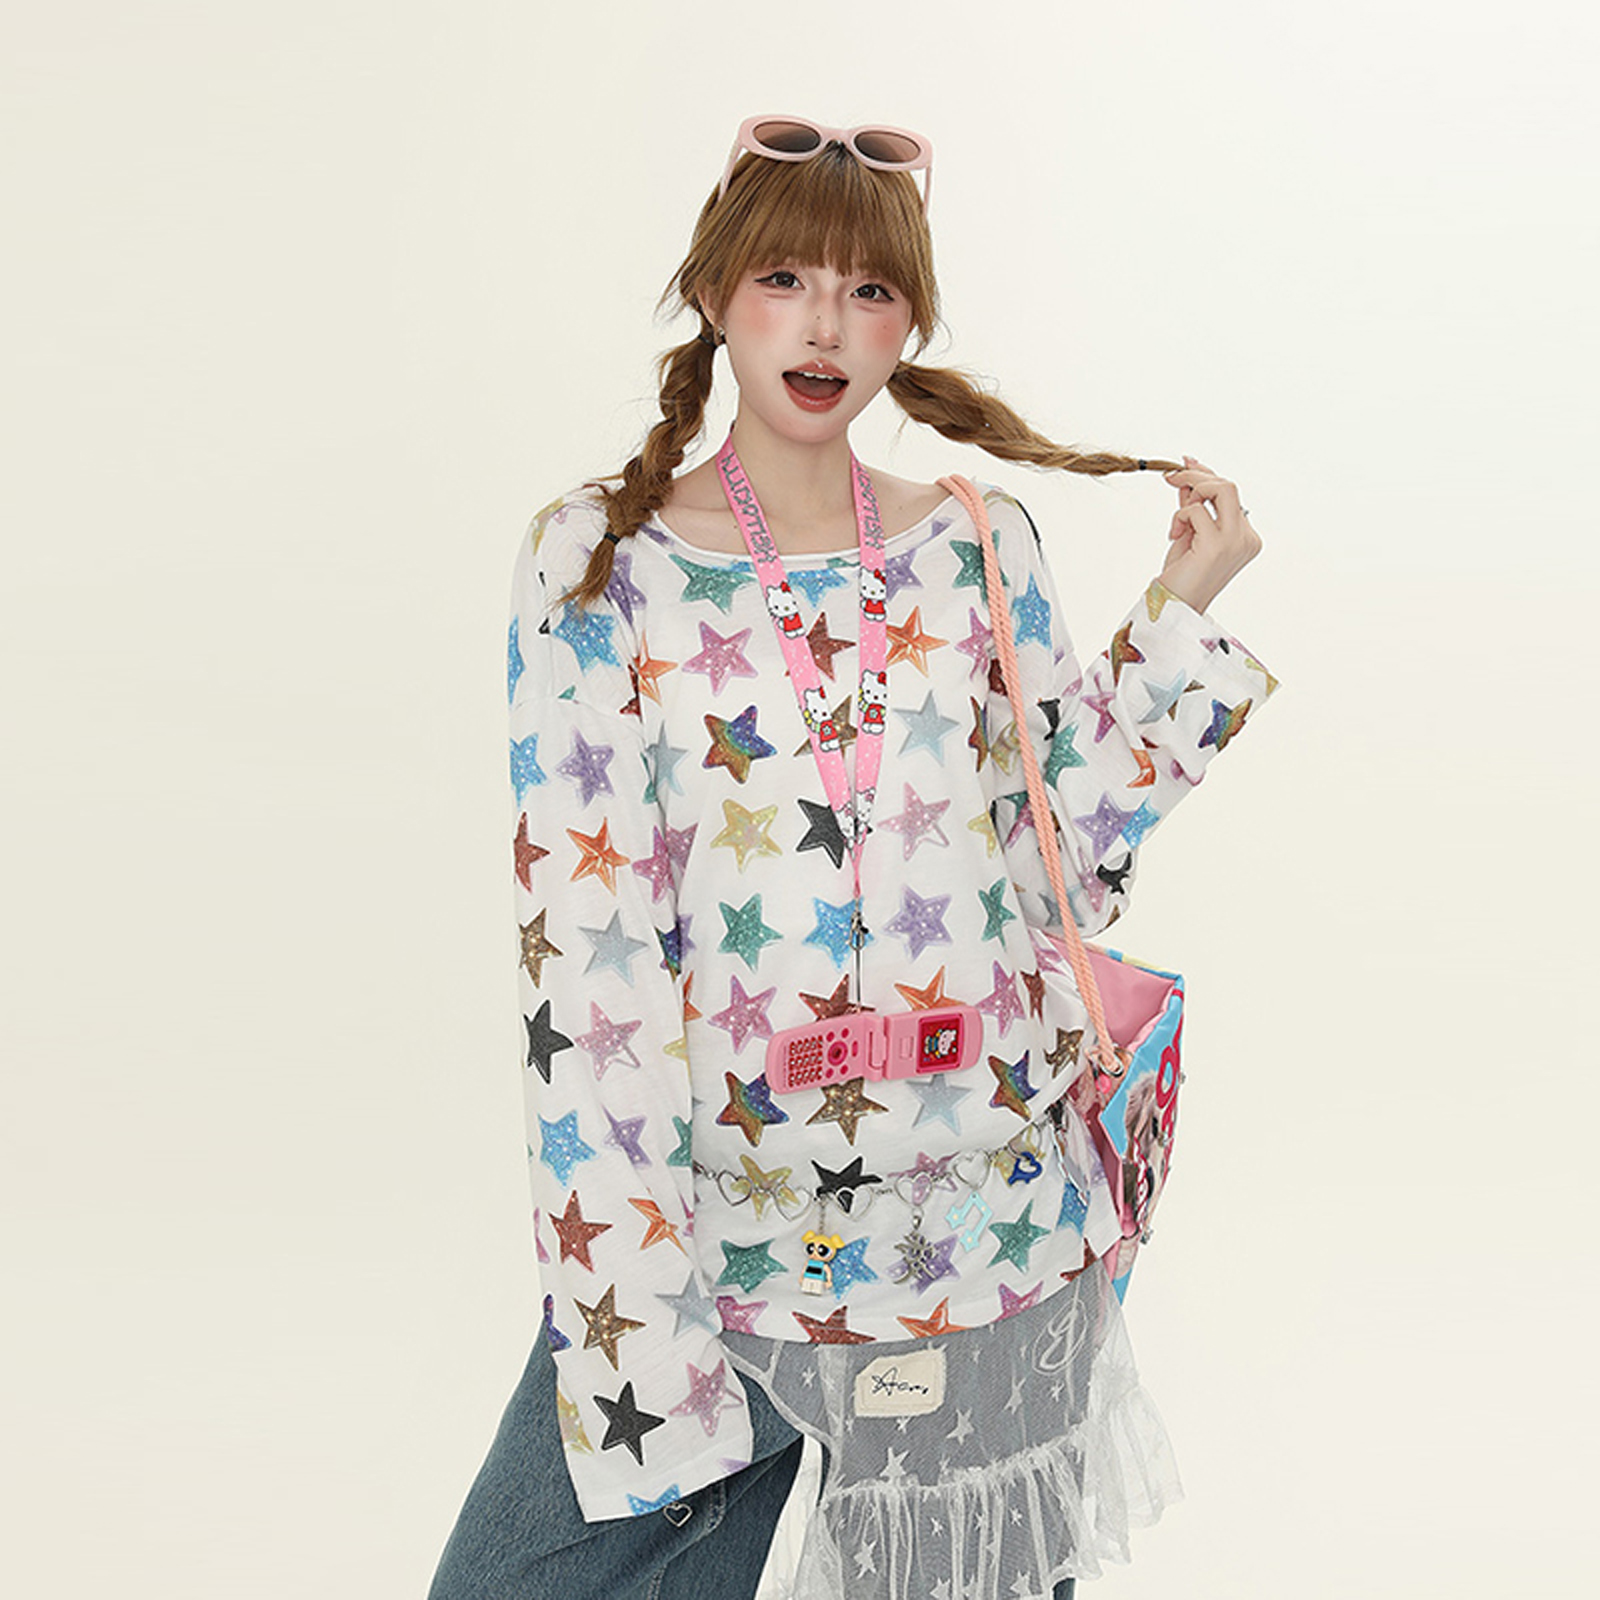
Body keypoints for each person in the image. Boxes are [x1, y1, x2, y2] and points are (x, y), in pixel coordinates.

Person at [428, 115, 1278, 1600]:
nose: (826, 326)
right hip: (724, 1243)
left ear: (908, 322)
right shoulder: (600, 564)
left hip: (985, 1231)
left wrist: (1181, 606)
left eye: (869, 290)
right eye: (784, 279)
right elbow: (585, 949)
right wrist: (629, 1296)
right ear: (715, 295)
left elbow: (1061, 864)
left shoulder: (976, 546)